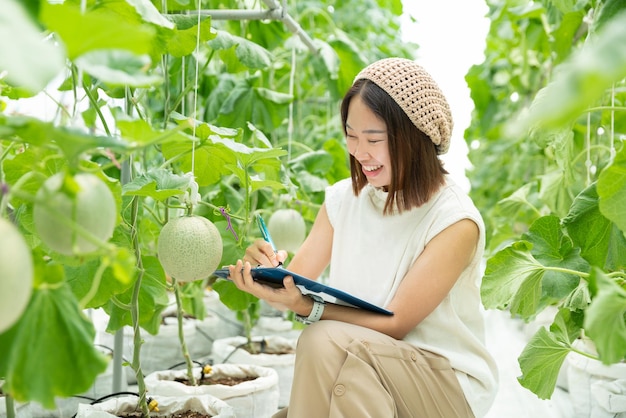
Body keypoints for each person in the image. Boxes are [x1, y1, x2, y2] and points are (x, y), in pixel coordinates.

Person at [228, 57, 498, 418]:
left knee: (323, 341)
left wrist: (311, 308)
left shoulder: (454, 220)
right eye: (351, 136)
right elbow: (294, 281)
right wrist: (267, 272)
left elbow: (397, 324)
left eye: (373, 139)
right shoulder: (343, 199)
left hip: (442, 383)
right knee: (343, 379)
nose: (359, 152)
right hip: (361, 363)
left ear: (414, 138)